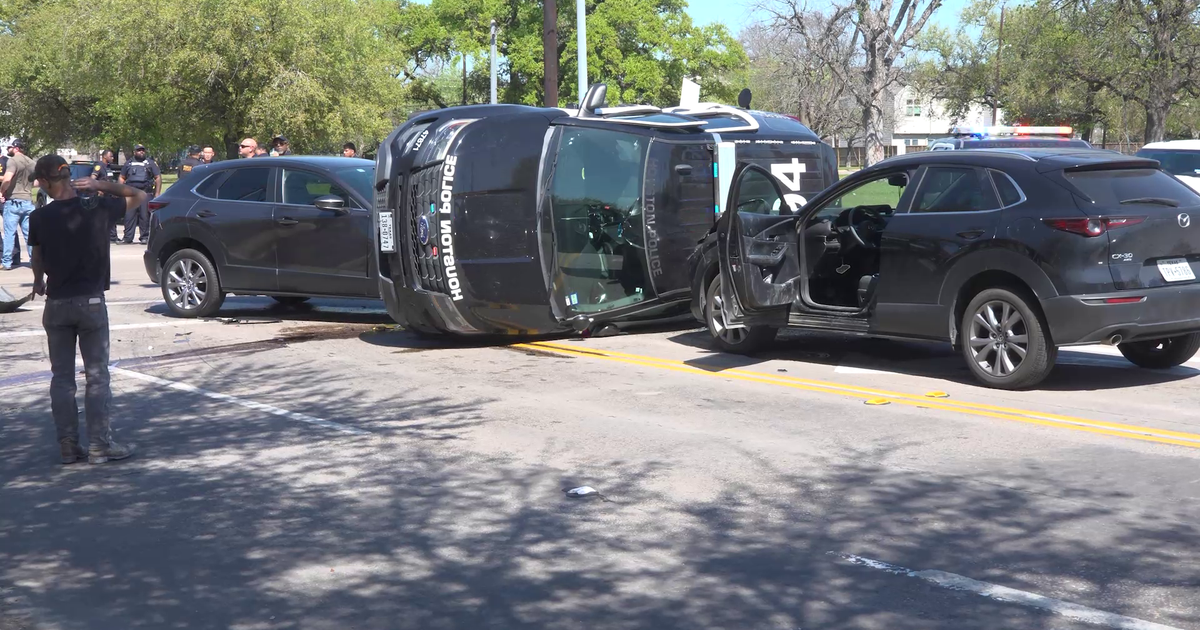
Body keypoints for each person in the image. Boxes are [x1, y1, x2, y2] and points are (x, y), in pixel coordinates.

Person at [28, 154, 146, 464]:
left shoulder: (39, 218)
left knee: (62, 379)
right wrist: (100, 184)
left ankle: (68, 445)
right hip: (91, 303)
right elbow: (140, 195)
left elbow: (37, 258)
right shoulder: (97, 207)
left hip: (56, 304)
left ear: (44, 181)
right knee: (96, 377)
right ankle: (99, 445)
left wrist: (38, 281)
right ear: (68, 177)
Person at [0, 139, 36, 271]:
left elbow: (7, 179)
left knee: (10, 233)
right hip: (27, 201)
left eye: (9, 147)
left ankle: (7, 263)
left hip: (13, 201)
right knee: (29, 234)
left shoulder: (13, 161)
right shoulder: (32, 162)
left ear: (16, 148)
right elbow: (36, 182)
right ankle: (34, 261)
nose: (8, 149)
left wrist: (1, 191)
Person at [117, 144, 160, 244]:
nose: (141, 152)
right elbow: (121, 177)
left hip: (145, 193)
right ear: (134, 152)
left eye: (143, 150)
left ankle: (145, 237)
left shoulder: (150, 163)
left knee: (144, 216)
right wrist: (120, 191)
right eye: (139, 150)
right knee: (129, 216)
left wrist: (157, 193)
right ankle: (127, 238)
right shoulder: (128, 163)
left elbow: (157, 177)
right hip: (131, 194)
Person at [94, 150, 119, 242]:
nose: (112, 158)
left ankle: (113, 237)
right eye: (111, 156)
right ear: (105, 157)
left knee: (111, 216)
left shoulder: (109, 167)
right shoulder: (99, 166)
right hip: (102, 197)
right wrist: (98, 189)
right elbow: (93, 179)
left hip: (109, 196)